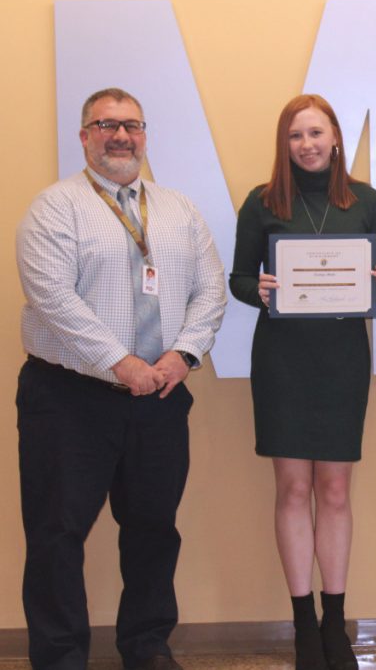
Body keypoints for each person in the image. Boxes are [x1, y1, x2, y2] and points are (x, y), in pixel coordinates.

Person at [15, 88, 226, 670]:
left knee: (154, 529)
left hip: (160, 395)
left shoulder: (178, 208)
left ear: (144, 135)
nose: (120, 136)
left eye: (131, 125)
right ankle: (59, 657)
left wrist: (183, 355)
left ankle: (147, 645)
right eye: (105, 125)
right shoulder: (55, 208)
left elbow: (210, 289)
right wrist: (122, 362)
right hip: (68, 399)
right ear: (84, 136)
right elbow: (53, 298)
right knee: (58, 535)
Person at [229, 94, 376, 670]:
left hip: (343, 360)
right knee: (294, 490)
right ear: (285, 144)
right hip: (283, 361)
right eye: (296, 135)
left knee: (336, 492)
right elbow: (240, 280)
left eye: (316, 133)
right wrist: (263, 290)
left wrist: (373, 283)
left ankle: (335, 623)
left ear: (336, 138)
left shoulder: (367, 202)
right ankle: (303, 625)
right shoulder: (261, 202)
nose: (308, 144)